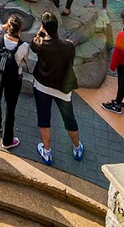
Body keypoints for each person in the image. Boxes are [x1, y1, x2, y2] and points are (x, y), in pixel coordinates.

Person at [30, 12, 83, 166]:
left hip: (42, 86)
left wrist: (40, 33)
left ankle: (46, 152)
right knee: (69, 119)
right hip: (63, 89)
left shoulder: (39, 44)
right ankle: (77, 147)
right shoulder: (68, 45)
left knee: (44, 119)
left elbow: (34, 43)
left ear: (44, 27)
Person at [0, 15, 30, 150]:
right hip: (13, 79)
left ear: (8, 26)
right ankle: (7, 140)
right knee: (10, 108)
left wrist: (1, 27)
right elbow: (24, 60)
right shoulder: (24, 46)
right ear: (20, 29)